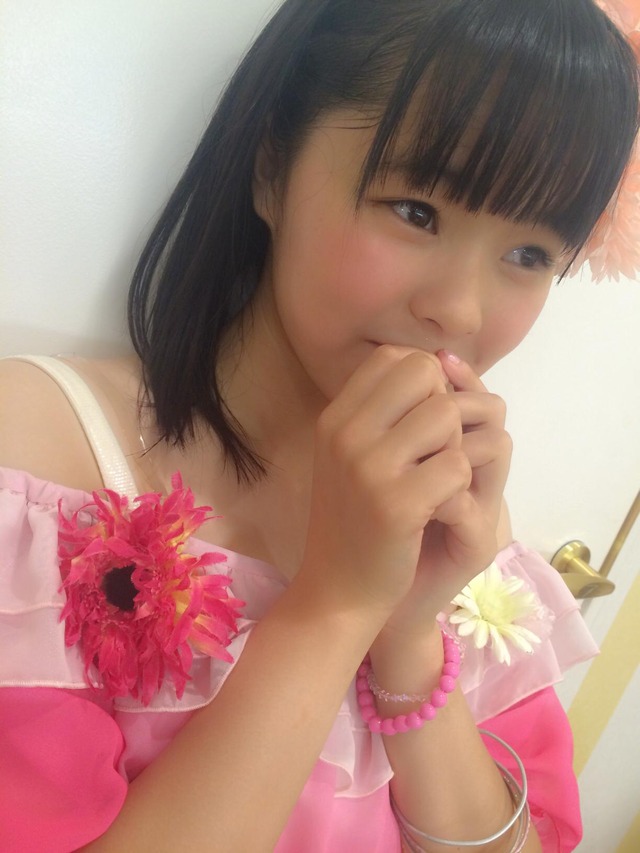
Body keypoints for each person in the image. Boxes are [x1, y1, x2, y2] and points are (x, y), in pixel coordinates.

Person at [1, 1, 638, 850]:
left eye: (529, 255)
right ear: (272, 164)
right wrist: (338, 604)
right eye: (416, 211)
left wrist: (407, 631)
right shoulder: (39, 462)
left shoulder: (456, 518)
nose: (459, 310)